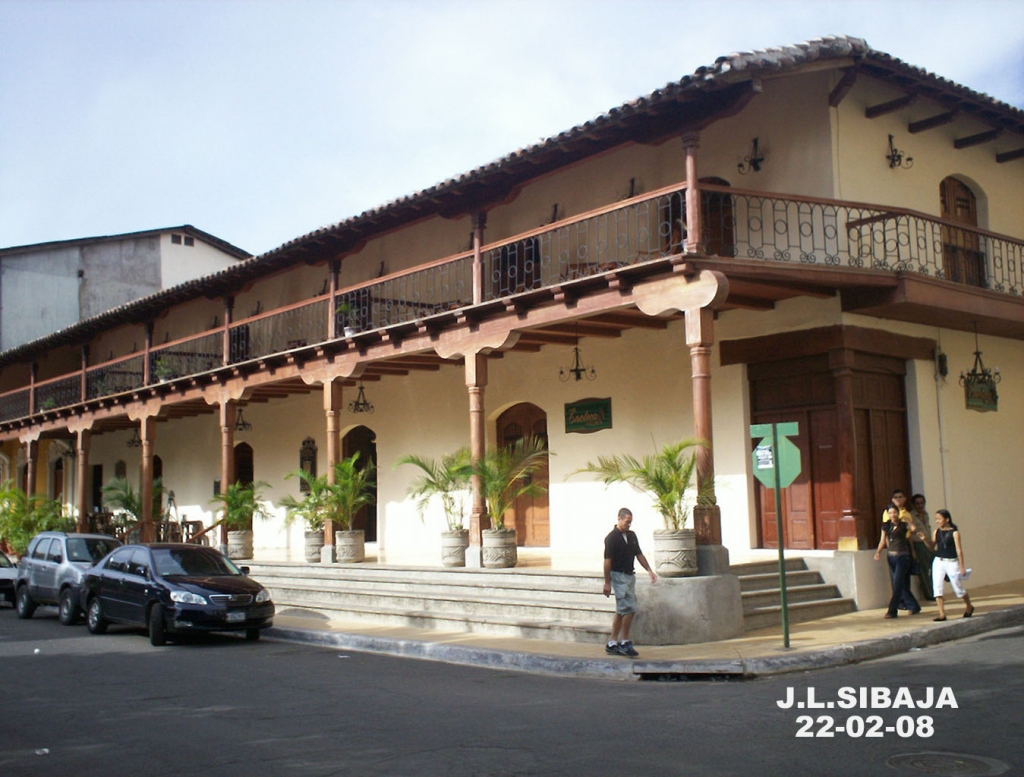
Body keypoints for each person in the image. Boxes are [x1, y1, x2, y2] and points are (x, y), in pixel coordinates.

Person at [603, 507, 657, 657]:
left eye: (630, 522)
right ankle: (625, 641)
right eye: (627, 521)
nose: (629, 524)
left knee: (621, 610)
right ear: (619, 519)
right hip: (618, 576)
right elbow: (607, 561)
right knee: (629, 608)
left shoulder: (632, 536)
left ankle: (612, 642)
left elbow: (638, 554)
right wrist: (607, 582)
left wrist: (649, 570)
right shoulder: (611, 538)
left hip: (629, 576)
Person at [874, 503, 921, 618]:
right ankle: (914, 606)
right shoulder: (886, 526)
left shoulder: (903, 525)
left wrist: (907, 520)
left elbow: (914, 529)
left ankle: (892, 610)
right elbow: (883, 541)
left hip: (903, 557)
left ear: (898, 513)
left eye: (894, 512)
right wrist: (878, 552)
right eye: (890, 513)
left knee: (897, 583)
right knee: (900, 584)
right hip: (891, 557)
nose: (893, 515)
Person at [931, 509, 974, 621]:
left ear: (947, 519)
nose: (937, 521)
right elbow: (931, 546)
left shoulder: (954, 533)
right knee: (937, 587)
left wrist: (961, 566)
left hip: (951, 562)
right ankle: (942, 614)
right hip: (938, 561)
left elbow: (959, 550)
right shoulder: (936, 532)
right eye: (936, 519)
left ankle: (969, 606)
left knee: (957, 586)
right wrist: (924, 539)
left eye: (939, 519)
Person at [909, 493, 935, 601]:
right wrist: (913, 550)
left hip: (928, 543)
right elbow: (910, 534)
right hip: (919, 544)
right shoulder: (911, 516)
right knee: (924, 570)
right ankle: (929, 594)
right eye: (917, 503)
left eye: (922, 503)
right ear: (913, 505)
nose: (920, 505)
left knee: (934, 568)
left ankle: (935, 592)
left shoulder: (926, 514)